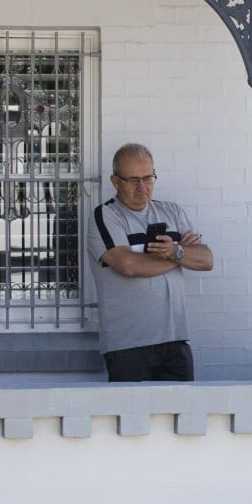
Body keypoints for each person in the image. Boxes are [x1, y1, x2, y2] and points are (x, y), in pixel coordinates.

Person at [87, 143, 213, 381]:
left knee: (180, 416)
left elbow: (207, 260)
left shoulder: (172, 212)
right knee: (131, 417)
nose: (142, 187)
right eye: (133, 180)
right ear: (116, 181)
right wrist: (180, 255)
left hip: (175, 341)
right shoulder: (105, 216)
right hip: (128, 345)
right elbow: (129, 266)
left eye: (148, 178)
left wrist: (175, 252)